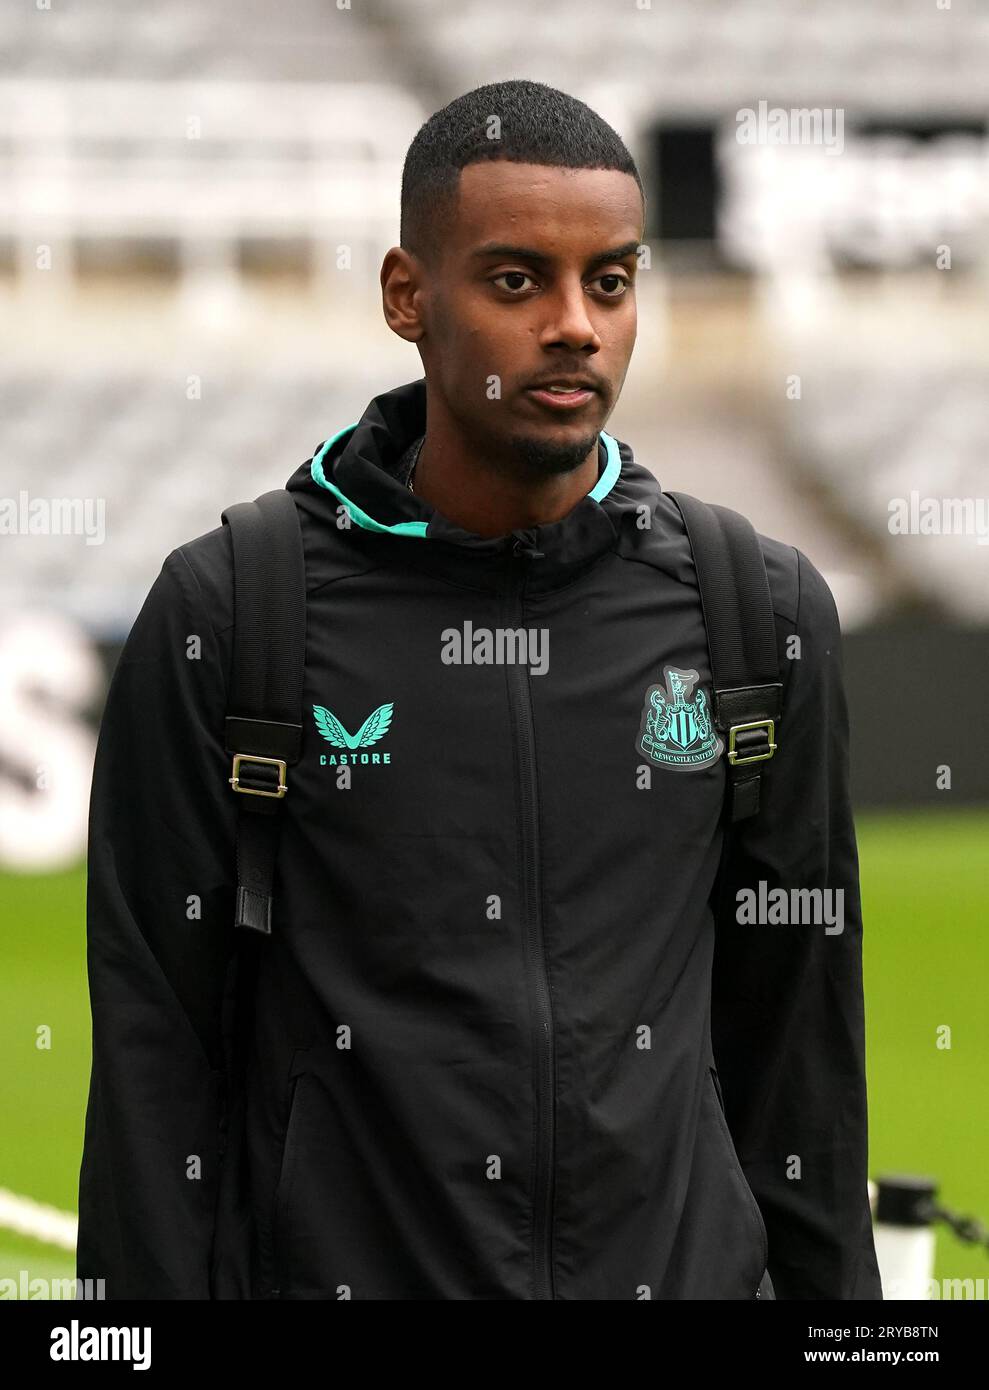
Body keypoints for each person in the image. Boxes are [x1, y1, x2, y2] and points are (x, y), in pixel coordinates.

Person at [76, 78, 882, 1300]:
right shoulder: (231, 611)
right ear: (408, 295)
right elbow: (153, 1057)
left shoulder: (753, 613)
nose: (574, 325)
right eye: (517, 281)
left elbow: (799, 1051)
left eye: (608, 282)